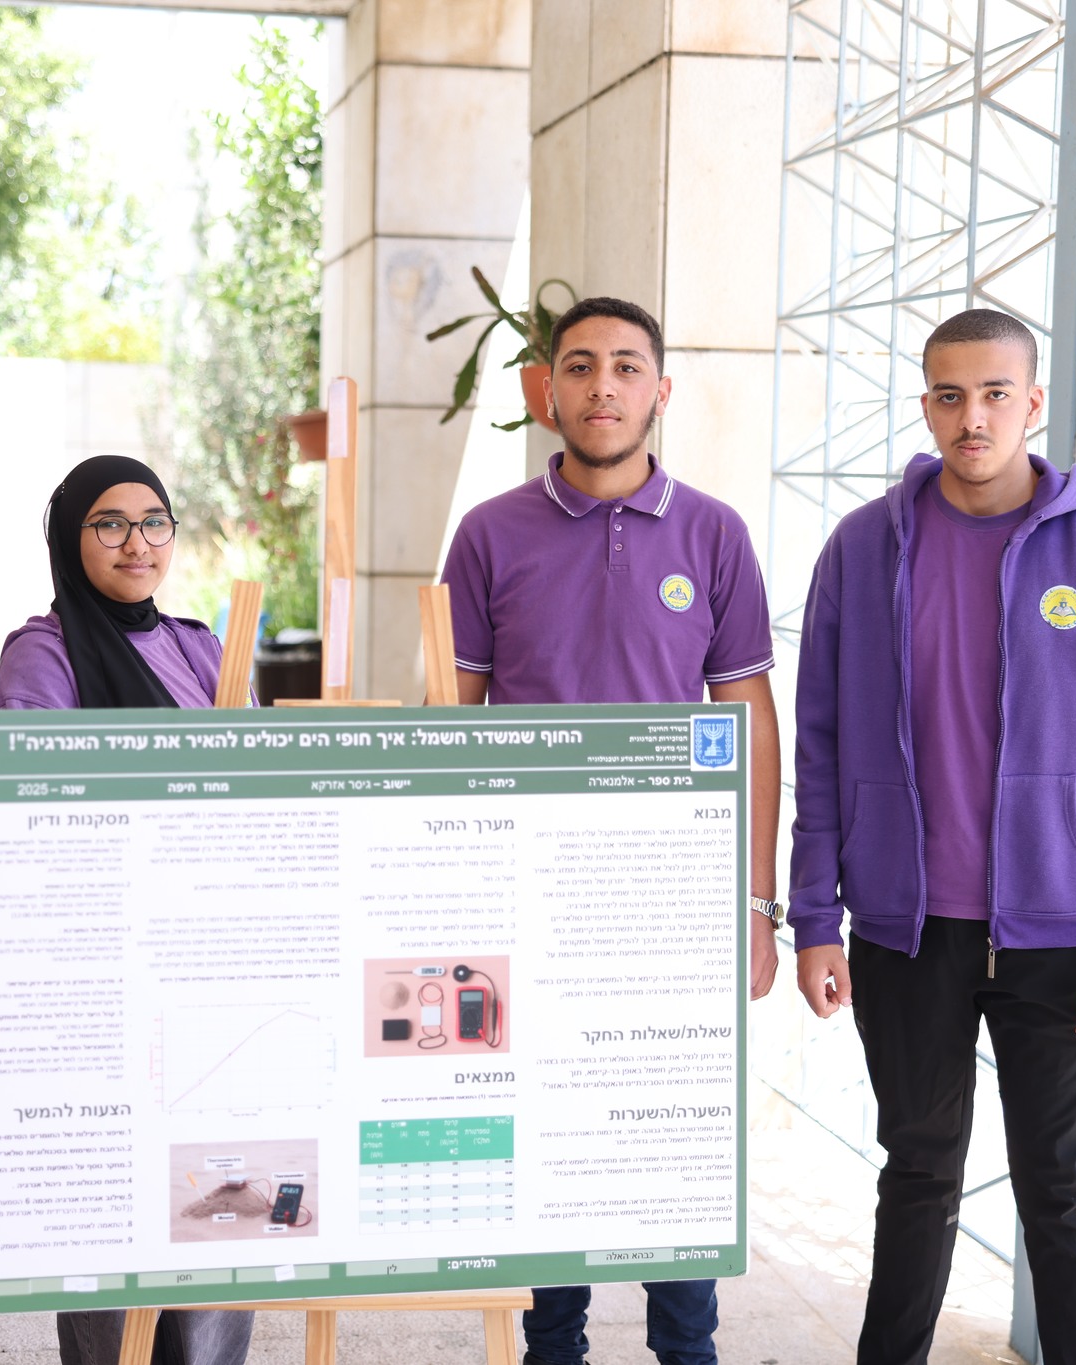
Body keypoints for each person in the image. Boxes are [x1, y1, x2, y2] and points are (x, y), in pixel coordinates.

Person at [788, 308, 1076, 1365]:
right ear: (926, 405)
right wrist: (812, 914)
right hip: (903, 928)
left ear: (1033, 402)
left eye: (995, 393)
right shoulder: (861, 549)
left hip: (1060, 935)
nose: (972, 416)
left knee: (1061, 1191)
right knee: (916, 1177)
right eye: (949, 395)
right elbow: (819, 745)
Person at [440, 297, 781, 1365]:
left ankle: (687, 1351)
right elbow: (451, 721)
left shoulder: (714, 534)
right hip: (528, 894)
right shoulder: (488, 534)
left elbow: (750, 724)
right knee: (546, 1138)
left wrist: (756, 902)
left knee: (671, 1140)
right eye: (580, 365)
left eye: (627, 367)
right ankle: (552, 1349)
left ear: (659, 391)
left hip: (670, 898)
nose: (602, 386)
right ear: (545, 390)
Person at [0, 454, 254, 1365]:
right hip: (100, 984)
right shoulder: (42, 657)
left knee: (220, 1207)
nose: (137, 542)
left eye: (154, 521)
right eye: (109, 523)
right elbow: (20, 824)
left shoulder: (204, 647)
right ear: (70, 537)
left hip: (212, 974)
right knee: (109, 1222)